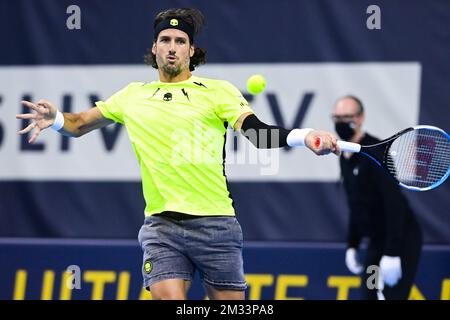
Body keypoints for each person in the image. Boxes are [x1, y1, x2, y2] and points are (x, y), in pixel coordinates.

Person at [16, 8, 339, 300]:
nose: (172, 46)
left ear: (191, 51)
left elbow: (257, 134)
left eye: (180, 41)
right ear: (154, 49)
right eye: (165, 40)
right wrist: (56, 120)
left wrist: (304, 135)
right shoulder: (132, 95)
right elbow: (79, 124)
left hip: (217, 224)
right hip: (161, 226)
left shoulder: (217, 91)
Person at [332, 95, 423, 300]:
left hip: (400, 239)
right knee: (369, 295)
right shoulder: (345, 156)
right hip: (375, 242)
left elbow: (395, 204)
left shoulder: (377, 152)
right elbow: (355, 205)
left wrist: (392, 253)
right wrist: (352, 244)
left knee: (393, 297)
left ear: (361, 117)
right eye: (337, 117)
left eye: (347, 116)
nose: (342, 122)